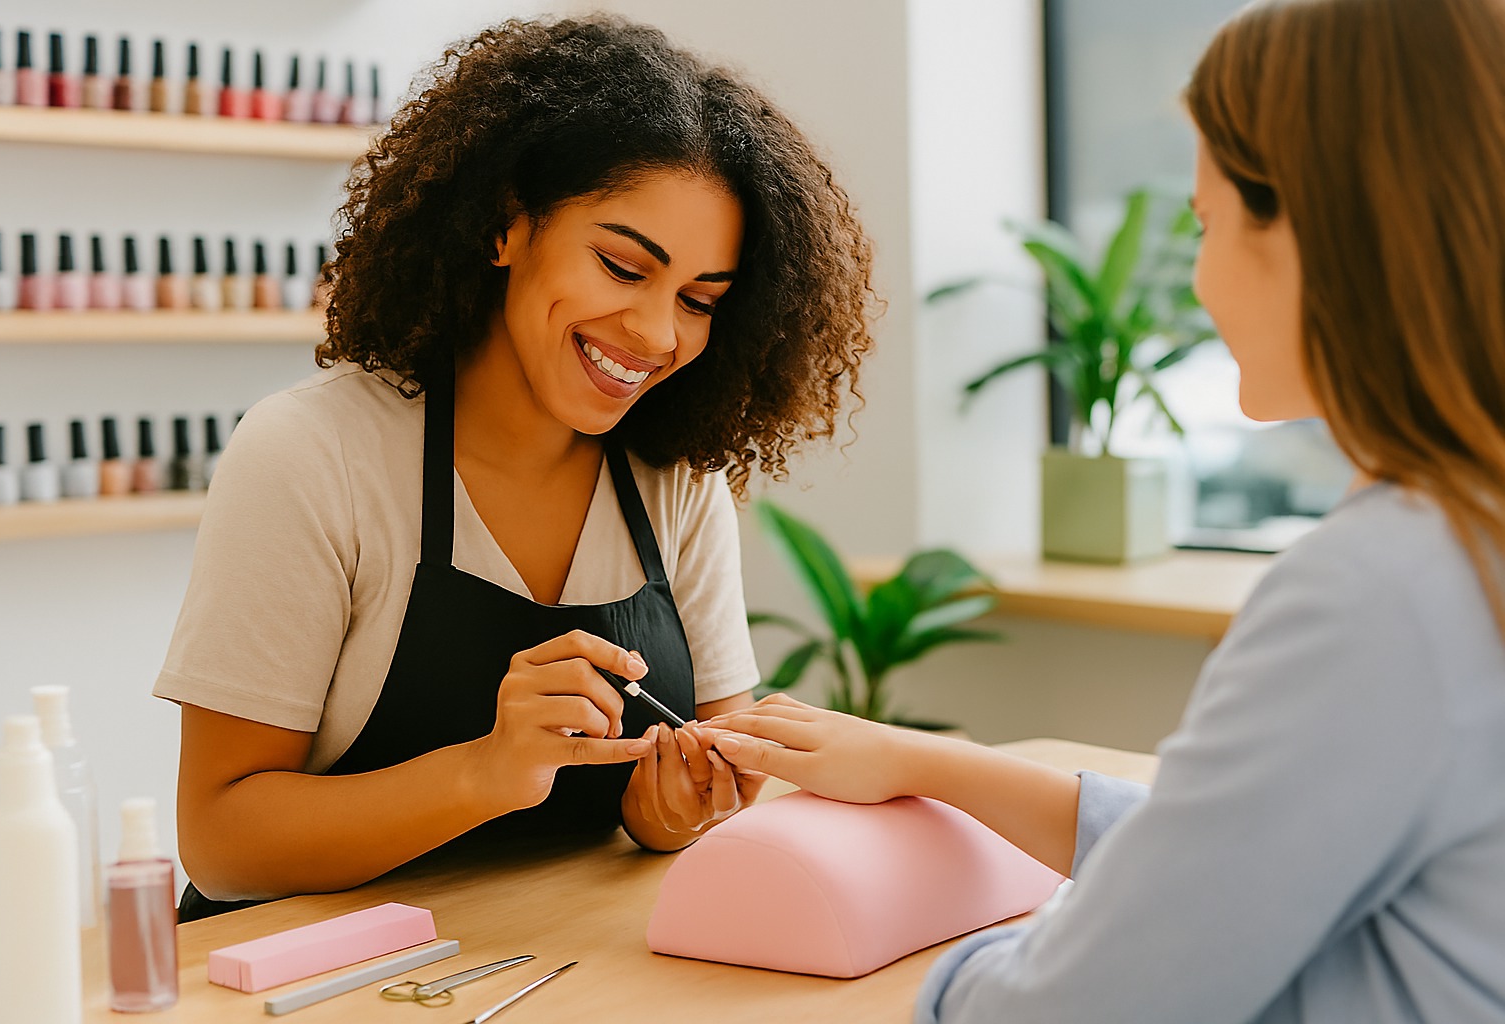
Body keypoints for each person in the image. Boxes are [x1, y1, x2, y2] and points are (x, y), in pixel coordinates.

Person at [710, 0, 1505, 1019]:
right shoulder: (1458, 543)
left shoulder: (1380, 589)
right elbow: (1241, 850)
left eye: (1206, 222)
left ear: (1315, 226)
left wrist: (961, 974)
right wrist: (931, 764)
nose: (1201, 282)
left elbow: (1077, 1002)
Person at [153, 15, 874, 921]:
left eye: (698, 300)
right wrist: (484, 773)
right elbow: (222, 843)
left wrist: (672, 811)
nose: (658, 335)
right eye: (621, 266)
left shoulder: (676, 485)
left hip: (551, 966)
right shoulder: (313, 456)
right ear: (506, 225)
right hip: (306, 981)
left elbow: (717, 760)